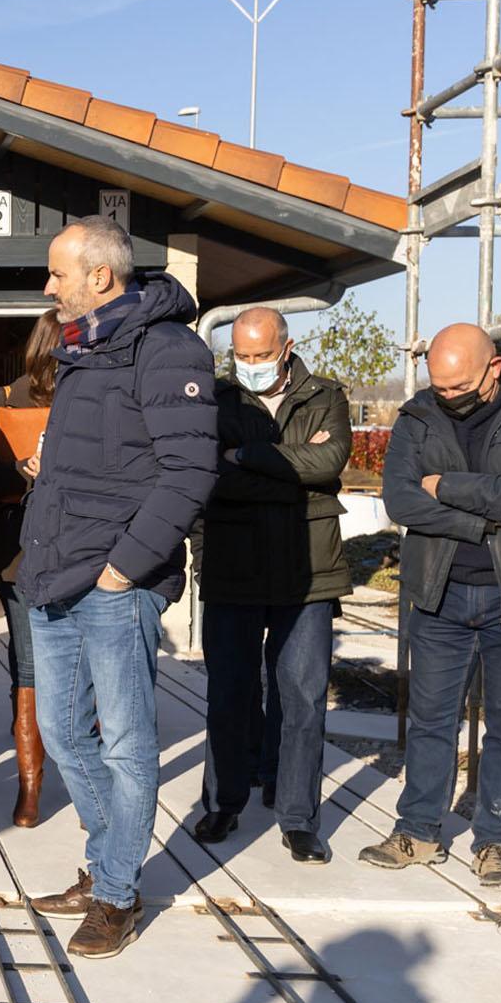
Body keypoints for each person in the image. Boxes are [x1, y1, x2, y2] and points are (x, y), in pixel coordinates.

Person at [19, 215, 216, 959]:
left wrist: (125, 566)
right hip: (57, 568)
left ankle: (116, 895)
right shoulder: (86, 351)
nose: (49, 286)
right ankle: (107, 864)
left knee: (127, 740)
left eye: (58, 273)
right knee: (66, 733)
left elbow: (190, 471)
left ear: (101, 277)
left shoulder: (166, 349)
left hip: (112, 579)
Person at [366, 323, 501, 891]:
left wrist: (445, 486)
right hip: (439, 593)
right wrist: (486, 512)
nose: (448, 397)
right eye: (439, 386)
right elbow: (400, 497)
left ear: (494, 367)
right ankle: (418, 830)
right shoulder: (418, 414)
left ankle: (499, 843)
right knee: (431, 720)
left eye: (459, 387)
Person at [194, 308, 351, 865]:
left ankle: (299, 818)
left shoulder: (326, 396)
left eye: (262, 355)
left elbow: (332, 460)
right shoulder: (215, 399)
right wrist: (291, 473)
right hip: (233, 565)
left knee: (303, 697)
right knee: (229, 692)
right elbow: (207, 474)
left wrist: (249, 457)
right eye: (243, 355)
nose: (251, 365)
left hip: (308, 569)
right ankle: (222, 802)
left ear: (286, 348)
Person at [0, 309, 60, 828]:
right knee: (28, 662)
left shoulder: (97, 395)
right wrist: (20, 471)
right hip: (19, 544)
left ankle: (79, 765)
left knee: (79, 663)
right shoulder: (3, 400)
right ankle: (30, 789)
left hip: (85, 544)